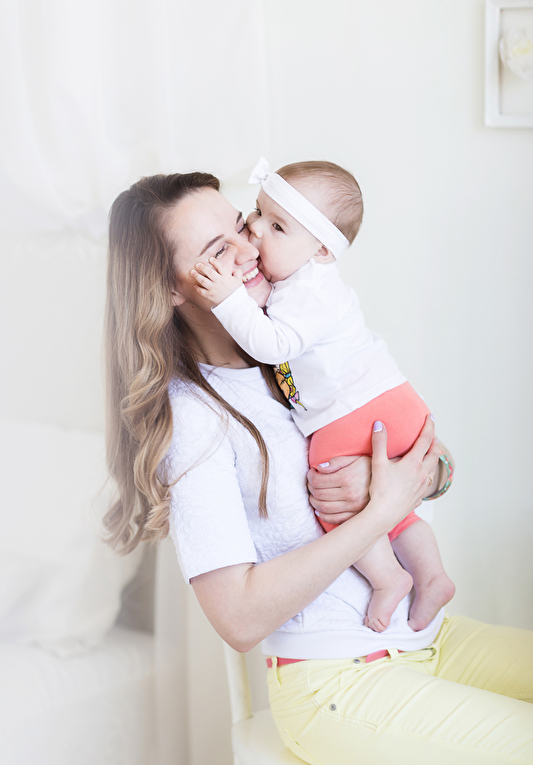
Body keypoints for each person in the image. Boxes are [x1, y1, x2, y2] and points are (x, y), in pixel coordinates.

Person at [104, 171, 533, 765]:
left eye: (244, 225)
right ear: (168, 287)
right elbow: (238, 619)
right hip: (337, 685)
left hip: (426, 638)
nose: (250, 248)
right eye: (218, 250)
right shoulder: (194, 418)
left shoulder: (296, 348)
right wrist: (377, 511)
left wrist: (401, 479)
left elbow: (433, 459)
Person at [189, 157, 455, 634]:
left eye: (275, 227)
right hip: (392, 401)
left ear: (322, 251)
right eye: (256, 214)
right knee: (388, 513)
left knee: (329, 488)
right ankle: (431, 575)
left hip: (360, 410)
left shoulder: (305, 293)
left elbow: (272, 345)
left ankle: (389, 578)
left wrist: (228, 298)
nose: (253, 234)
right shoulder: (197, 407)